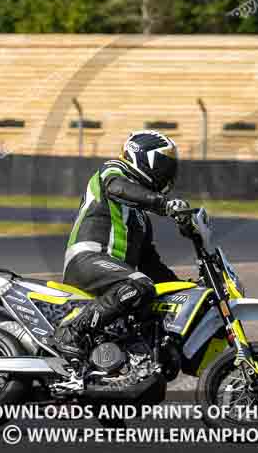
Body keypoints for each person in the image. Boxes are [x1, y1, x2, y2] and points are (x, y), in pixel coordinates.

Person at [55, 130, 189, 359]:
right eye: (163, 164)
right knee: (139, 285)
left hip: (114, 273)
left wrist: (185, 289)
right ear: (143, 158)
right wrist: (162, 204)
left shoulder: (140, 218)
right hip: (88, 258)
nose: (168, 172)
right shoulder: (112, 171)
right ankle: (72, 331)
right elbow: (117, 188)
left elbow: (151, 265)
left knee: (151, 296)